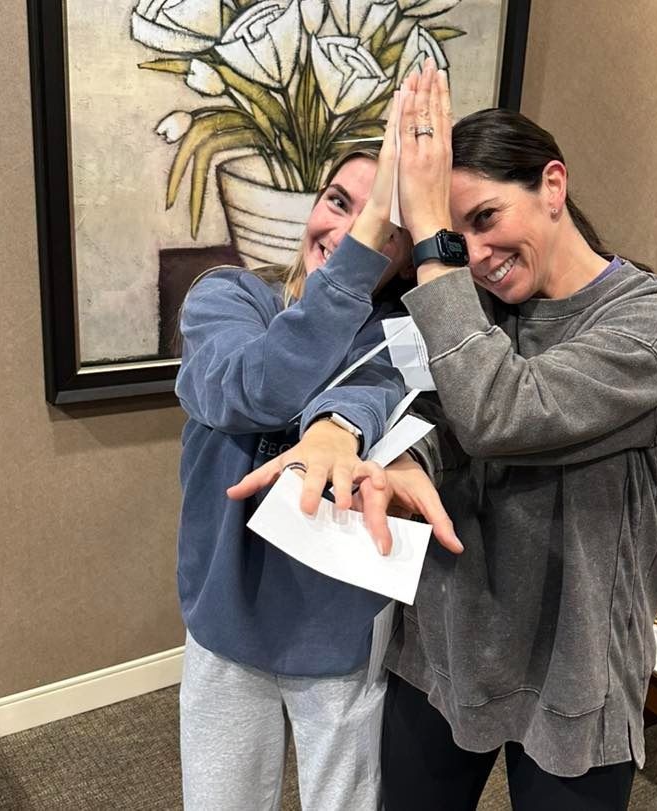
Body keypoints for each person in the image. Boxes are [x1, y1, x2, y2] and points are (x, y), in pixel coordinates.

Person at [369, 66, 657, 809]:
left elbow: (499, 413)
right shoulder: (472, 313)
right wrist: (399, 460)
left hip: (573, 670)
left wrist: (431, 242)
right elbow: (439, 418)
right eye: (454, 234)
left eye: (484, 218)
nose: (474, 254)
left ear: (552, 187)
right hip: (444, 643)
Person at [173, 102, 457, 811]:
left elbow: (381, 392)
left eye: (378, 227)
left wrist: (340, 424)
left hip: (342, 626)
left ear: (399, 253)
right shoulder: (226, 297)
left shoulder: (404, 333)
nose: (345, 231)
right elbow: (254, 387)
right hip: (225, 622)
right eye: (338, 203)